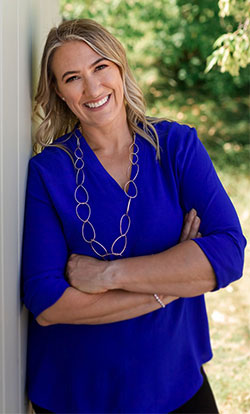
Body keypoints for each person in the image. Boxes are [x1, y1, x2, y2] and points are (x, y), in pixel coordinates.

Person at [22, 18, 246, 414]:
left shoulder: (176, 147)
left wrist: (108, 275)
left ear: (120, 68)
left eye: (100, 67)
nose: (92, 89)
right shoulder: (48, 173)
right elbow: (49, 303)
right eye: (72, 77)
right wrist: (173, 282)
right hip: (77, 393)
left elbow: (228, 253)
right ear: (58, 92)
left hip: (174, 382)